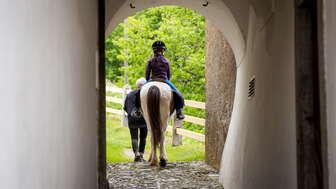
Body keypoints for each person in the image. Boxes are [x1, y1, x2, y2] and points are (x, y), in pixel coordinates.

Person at [134, 40, 185, 120]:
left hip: (152, 79)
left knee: (138, 93)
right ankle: (179, 112)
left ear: (154, 50)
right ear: (163, 50)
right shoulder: (166, 61)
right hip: (164, 80)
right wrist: (166, 81)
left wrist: (147, 82)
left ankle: (137, 109)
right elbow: (168, 75)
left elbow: (147, 74)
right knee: (178, 94)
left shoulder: (150, 61)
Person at [123, 78, 148, 162]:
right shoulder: (146, 95)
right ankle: (141, 155)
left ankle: (136, 154)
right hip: (144, 119)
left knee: (134, 137)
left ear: (137, 85)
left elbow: (125, 107)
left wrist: (131, 114)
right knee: (143, 137)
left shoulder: (130, 94)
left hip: (132, 119)